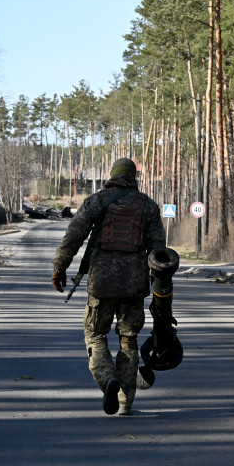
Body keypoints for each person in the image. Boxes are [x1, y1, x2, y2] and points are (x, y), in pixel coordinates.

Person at [51, 158, 166, 416]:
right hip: (134, 286)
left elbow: (73, 237)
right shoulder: (147, 206)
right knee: (128, 340)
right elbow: (158, 251)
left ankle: (107, 380)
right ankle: (125, 402)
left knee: (95, 334)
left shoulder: (96, 201)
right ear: (133, 177)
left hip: (101, 283)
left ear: (112, 175)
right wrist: (161, 288)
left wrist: (59, 267)